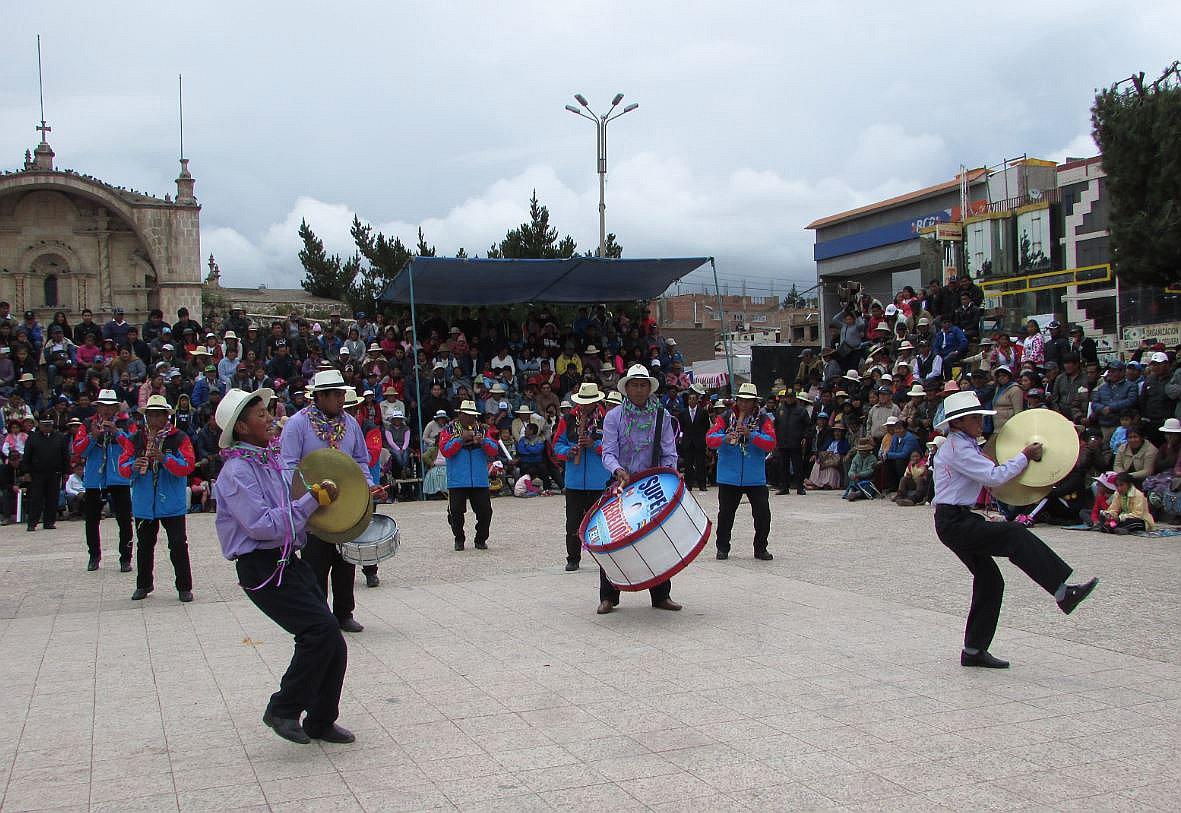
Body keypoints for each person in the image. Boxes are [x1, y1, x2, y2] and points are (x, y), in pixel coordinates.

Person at [213, 387, 354, 746]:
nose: (270, 418)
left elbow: (294, 510)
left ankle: (321, 720)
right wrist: (311, 501)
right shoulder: (236, 472)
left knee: (332, 640)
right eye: (261, 415)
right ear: (242, 428)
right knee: (318, 632)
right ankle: (283, 708)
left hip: (286, 560)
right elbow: (262, 524)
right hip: (261, 567)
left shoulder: (268, 461)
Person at [931, 391, 1099, 668]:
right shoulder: (958, 448)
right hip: (954, 522)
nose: (979, 423)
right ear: (958, 422)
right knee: (1015, 534)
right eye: (974, 418)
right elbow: (993, 476)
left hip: (958, 520)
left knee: (990, 581)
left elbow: (993, 474)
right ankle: (1062, 592)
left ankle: (973, 651)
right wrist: (1023, 456)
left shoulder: (964, 444)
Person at [280, 369, 375, 633]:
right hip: (313, 505)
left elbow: (360, 461)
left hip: (346, 503)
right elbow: (288, 465)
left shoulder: (351, 424)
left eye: (342, 394)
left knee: (345, 562)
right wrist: (307, 494)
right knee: (315, 563)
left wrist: (368, 487)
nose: (341, 399)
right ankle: (318, 616)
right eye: (335, 395)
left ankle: (344, 613)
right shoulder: (298, 424)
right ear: (319, 397)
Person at [598, 364, 681, 614]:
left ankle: (660, 595)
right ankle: (608, 596)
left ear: (649, 388)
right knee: (613, 537)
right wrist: (618, 470)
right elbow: (608, 452)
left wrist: (666, 476)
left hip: (652, 485)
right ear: (626, 388)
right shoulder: (614, 416)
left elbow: (670, 452)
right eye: (634, 384)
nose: (638, 389)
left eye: (643, 385)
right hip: (621, 485)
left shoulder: (662, 416)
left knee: (657, 540)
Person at [118, 395, 196, 602]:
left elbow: (187, 465)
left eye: (158, 415)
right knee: (144, 545)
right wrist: (133, 466)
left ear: (165, 417)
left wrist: (164, 458)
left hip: (171, 502)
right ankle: (143, 584)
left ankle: (184, 587)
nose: (153, 420)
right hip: (145, 502)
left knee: (178, 544)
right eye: (150, 415)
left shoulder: (179, 437)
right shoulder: (135, 439)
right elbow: (122, 467)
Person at [706, 383, 776, 561]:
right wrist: (725, 437)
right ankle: (722, 547)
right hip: (729, 476)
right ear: (737, 401)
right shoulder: (725, 417)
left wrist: (751, 435)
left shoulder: (763, 419)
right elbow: (710, 439)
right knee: (726, 515)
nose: (744, 405)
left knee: (762, 514)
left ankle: (760, 548)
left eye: (748, 401)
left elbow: (771, 443)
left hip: (755, 477)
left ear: (754, 402)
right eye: (741, 400)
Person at [72, 389, 134, 571]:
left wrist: (117, 433)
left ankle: (125, 558)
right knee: (91, 520)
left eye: (110, 406)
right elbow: (78, 450)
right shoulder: (87, 424)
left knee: (124, 520)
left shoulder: (126, 423)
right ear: (97, 407)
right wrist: (93, 436)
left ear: (116, 407)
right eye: (103, 406)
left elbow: (134, 446)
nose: (106, 410)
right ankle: (94, 556)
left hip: (119, 478)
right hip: (95, 479)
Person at [552, 383, 609, 571]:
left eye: (590, 402)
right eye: (583, 402)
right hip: (575, 481)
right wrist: (569, 451)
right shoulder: (567, 419)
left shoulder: (607, 419)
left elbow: (613, 448)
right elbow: (556, 446)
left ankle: (605, 558)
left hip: (600, 481)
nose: (585, 406)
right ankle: (573, 558)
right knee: (573, 523)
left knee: (601, 523)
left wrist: (594, 445)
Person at [438, 400, 498, 550]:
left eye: (473, 416)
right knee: (456, 512)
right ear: (461, 415)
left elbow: (494, 450)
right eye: (467, 415)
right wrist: (461, 439)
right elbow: (445, 450)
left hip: (479, 479)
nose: (471, 419)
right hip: (457, 479)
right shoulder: (448, 430)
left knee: (485, 512)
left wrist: (483, 442)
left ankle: (480, 539)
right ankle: (459, 538)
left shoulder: (483, 430)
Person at [21, 416, 68, 531]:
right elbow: (27, 455)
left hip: (54, 473)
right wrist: (26, 471)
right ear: (40, 426)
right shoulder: (33, 438)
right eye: (44, 425)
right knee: (36, 498)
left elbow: (65, 455)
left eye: (49, 425)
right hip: (37, 473)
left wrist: (66, 471)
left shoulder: (59, 437)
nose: (47, 428)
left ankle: (49, 522)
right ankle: (32, 523)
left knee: (52, 498)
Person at [677, 384, 711, 492]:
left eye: (693, 399)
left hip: (699, 441)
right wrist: (681, 438)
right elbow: (681, 427)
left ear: (697, 400)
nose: (691, 401)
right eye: (690, 399)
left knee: (700, 463)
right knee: (688, 464)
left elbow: (706, 427)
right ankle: (688, 485)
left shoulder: (703, 412)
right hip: (688, 441)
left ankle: (702, 484)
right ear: (688, 401)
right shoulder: (683, 412)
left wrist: (704, 439)